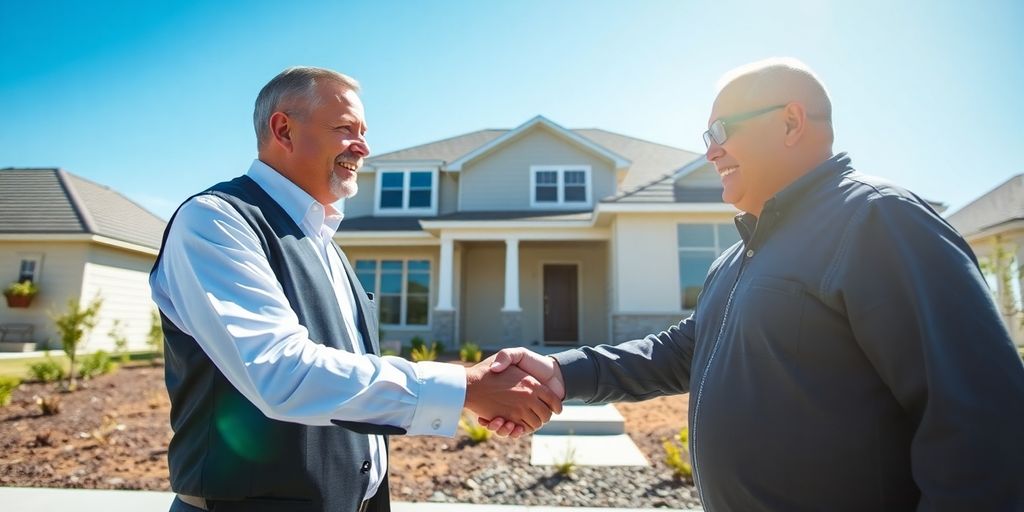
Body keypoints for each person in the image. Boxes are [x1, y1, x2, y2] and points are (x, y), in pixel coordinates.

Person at [483, 58, 1024, 511]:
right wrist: (560, 372)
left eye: (720, 132)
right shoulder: (739, 257)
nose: (710, 151)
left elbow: (981, 426)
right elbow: (681, 353)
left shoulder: (878, 222)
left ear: (791, 122)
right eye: (705, 137)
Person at [150, 66, 561, 512]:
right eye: (346, 129)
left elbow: (351, 376)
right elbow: (282, 372)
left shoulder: (327, 246)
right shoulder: (217, 222)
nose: (363, 148)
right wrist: (465, 387)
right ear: (283, 129)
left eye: (364, 132)